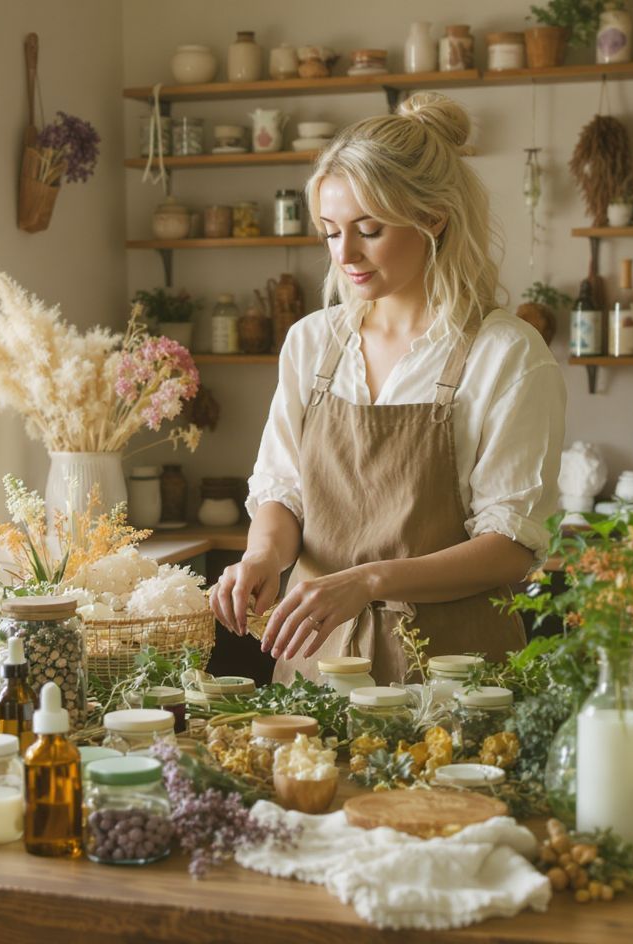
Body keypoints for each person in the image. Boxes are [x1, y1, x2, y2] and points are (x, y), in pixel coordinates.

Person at [210, 93, 566, 684]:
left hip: (451, 675)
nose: (344, 254)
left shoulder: (506, 354)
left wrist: (368, 580)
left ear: (433, 218)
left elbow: (510, 545)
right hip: (317, 663)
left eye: (368, 230)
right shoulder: (312, 344)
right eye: (330, 233)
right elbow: (284, 491)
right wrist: (262, 558)